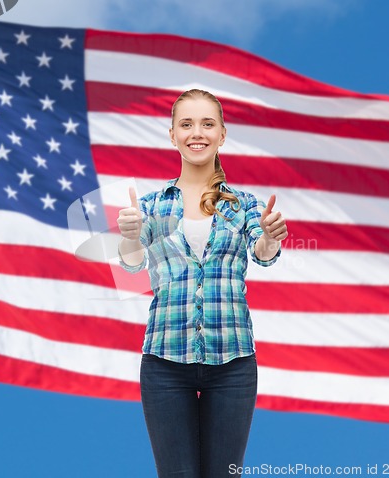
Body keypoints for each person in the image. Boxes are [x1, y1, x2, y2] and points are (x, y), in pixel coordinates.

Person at [117, 89, 287, 478]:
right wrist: (129, 234)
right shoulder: (150, 206)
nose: (198, 132)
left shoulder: (243, 204)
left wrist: (271, 236)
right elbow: (131, 264)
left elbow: (261, 251)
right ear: (172, 134)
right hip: (164, 363)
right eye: (187, 124)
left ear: (222, 134)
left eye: (208, 124)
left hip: (233, 363)